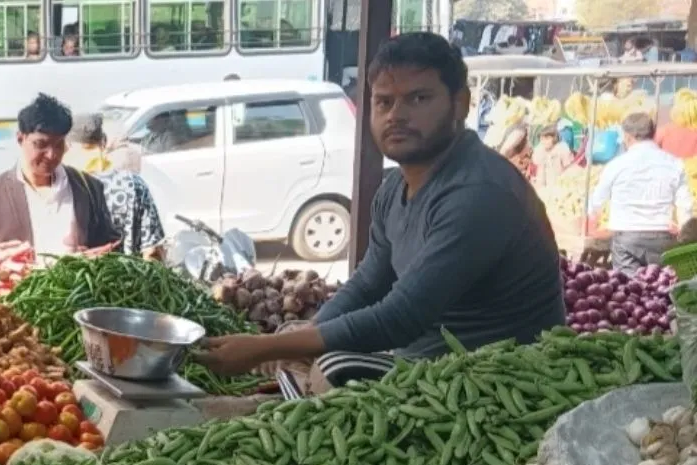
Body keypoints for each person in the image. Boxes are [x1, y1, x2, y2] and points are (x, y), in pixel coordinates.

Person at [194, 32, 564, 387]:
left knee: (331, 369)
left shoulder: (479, 193)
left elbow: (401, 317)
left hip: (496, 379)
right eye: (384, 102)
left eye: (418, 99)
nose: (396, 116)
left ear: (460, 104)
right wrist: (305, 332)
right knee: (308, 354)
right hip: (431, 368)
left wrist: (267, 348)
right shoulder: (394, 188)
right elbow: (370, 282)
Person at [0, 94, 118, 253]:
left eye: (59, 145)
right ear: (20, 139)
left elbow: (111, 249)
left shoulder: (89, 188)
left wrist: (94, 262)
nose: (51, 154)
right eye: (41, 144)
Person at [588, 112, 691, 276]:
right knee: (659, 286)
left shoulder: (616, 165)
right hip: (662, 237)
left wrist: (593, 218)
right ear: (653, 133)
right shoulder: (674, 163)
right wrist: (684, 233)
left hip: (626, 239)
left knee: (629, 292)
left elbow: (597, 201)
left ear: (628, 137)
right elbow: (685, 205)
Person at [64, 113, 164, 257]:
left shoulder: (63, 188)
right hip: (129, 277)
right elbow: (152, 250)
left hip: (74, 278)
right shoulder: (133, 185)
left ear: (67, 146)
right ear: (103, 142)